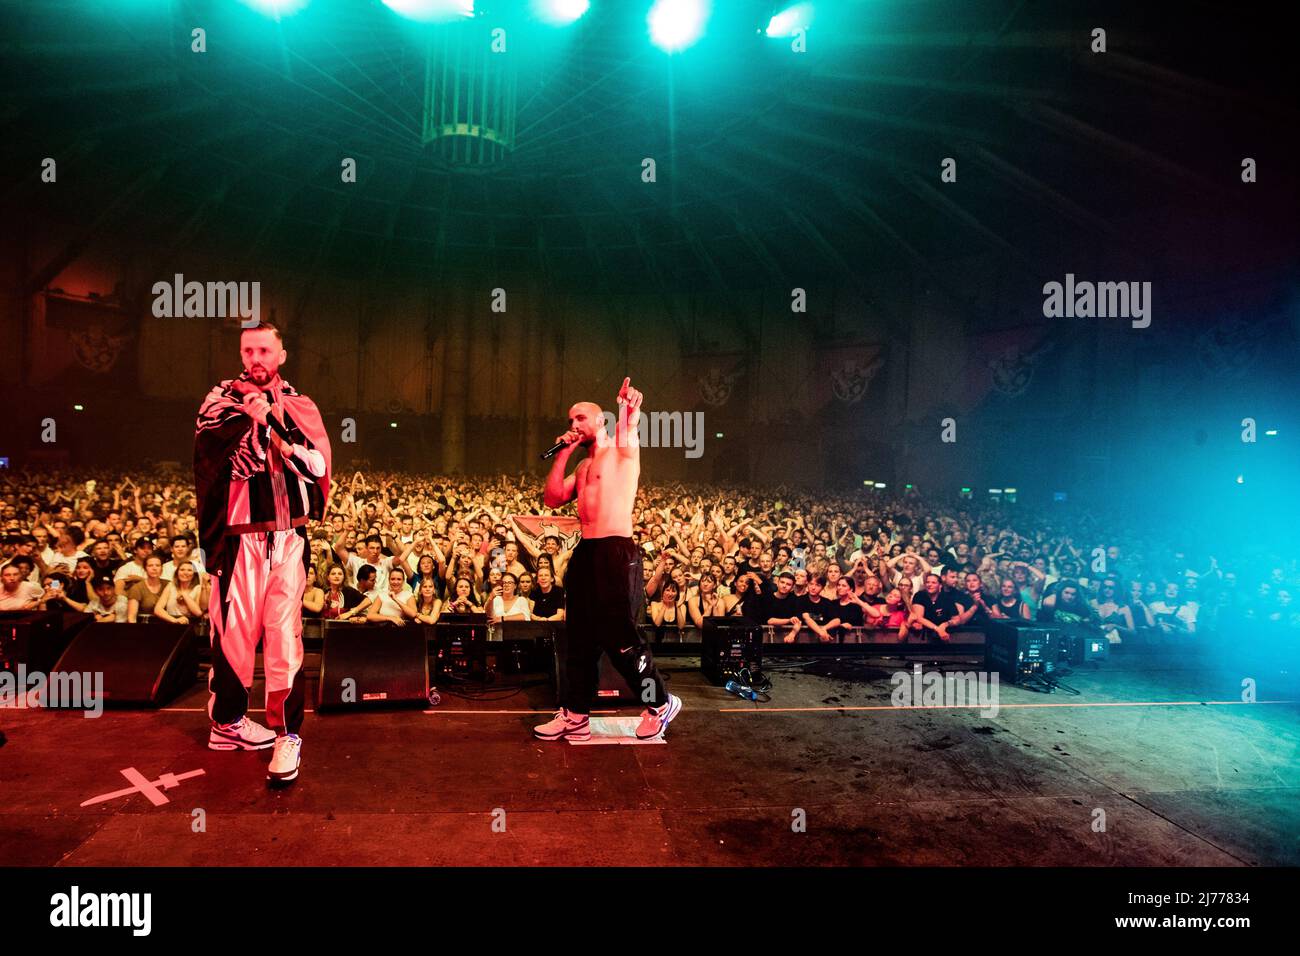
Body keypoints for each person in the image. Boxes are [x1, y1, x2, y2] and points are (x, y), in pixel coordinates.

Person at [194, 322, 331, 786]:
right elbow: (216, 463)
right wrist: (250, 424)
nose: (256, 358)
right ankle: (228, 723)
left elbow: (318, 466)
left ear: (281, 355)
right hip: (239, 538)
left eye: (264, 350)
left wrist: (275, 425)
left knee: (284, 638)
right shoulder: (220, 403)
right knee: (233, 636)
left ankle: (287, 734)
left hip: (288, 537)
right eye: (248, 350)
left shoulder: (298, 406)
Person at [534, 378, 681, 742]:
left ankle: (659, 703)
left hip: (616, 551)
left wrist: (629, 406)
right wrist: (564, 451)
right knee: (579, 638)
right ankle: (576, 715)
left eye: (580, 419)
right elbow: (552, 498)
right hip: (587, 552)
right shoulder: (582, 467)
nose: (573, 426)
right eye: (570, 421)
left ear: (601, 422)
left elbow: (630, 422)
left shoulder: (621, 448)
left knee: (623, 638)